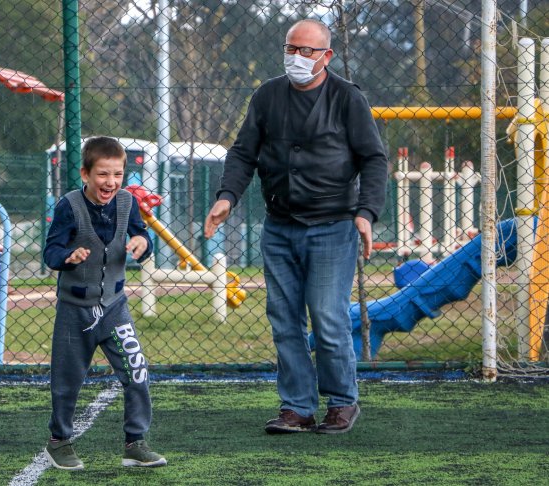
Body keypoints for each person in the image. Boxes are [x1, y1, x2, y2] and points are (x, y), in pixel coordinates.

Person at [204, 19, 388, 435]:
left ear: (327, 56)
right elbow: (243, 152)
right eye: (292, 48)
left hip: (332, 226)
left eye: (308, 51)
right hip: (280, 226)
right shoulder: (267, 95)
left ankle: (342, 402)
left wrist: (366, 212)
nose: (298, 58)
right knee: (285, 319)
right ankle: (297, 408)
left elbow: (373, 159)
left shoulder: (346, 98)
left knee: (327, 316)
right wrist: (226, 196)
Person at [43, 136, 167, 469]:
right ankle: (59, 441)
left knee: (137, 371)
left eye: (116, 174)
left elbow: (143, 235)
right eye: (102, 174)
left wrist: (142, 242)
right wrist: (68, 256)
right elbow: (50, 252)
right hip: (74, 308)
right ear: (85, 174)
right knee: (67, 380)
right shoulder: (68, 206)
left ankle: (135, 442)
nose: (110, 182)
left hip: (115, 305)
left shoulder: (127, 203)